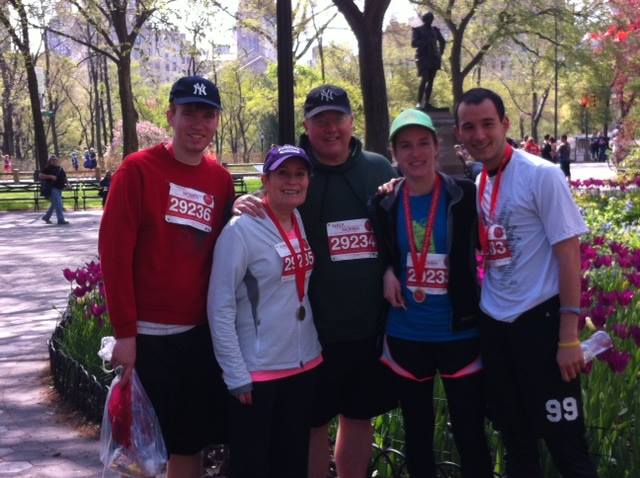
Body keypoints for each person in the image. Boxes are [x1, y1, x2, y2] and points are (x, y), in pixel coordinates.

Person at [234, 84, 397, 478]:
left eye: (337, 119)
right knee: (313, 424)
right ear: (306, 127)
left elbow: (403, 228)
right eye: (320, 121)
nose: (331, 129)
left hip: (367, 326)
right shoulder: (294, 173)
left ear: (351, 122)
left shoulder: (378, 169)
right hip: (309, 333)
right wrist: (240, 204)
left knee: (358, 418)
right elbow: (263, 211)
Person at [453, 87, 598, 478]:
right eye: (469, 127)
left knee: (566, 444)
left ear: (505, 124)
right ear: (459, 134)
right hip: (496, 326)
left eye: (487, 124)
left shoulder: (543, 174)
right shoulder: (479, 180)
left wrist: (568, 336)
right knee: (516, 443)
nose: (479, 134)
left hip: (542, 323)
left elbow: (570, 254)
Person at [99, 76, 233, 478]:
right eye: (189, 112)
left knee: (187, 444)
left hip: (196, 336)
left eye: (207, 115)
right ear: (171, 115)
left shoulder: (220, 179)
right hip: (146, 339)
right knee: (140, 455)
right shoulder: (137, 171)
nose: (198, 123)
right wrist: (125, 332)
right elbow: (114, 254)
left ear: (216, 122)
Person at [375, 109, 492, 478]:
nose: (416, 153)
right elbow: (381, 252)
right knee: (417, 434)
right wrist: (387, 270)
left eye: (423, 143)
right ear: (394, 152)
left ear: (437, 146)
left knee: (470, 432)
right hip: (407, 332)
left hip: (459, 331)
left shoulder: (464, 195)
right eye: (406, 146)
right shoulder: (384, 202)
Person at [208, 144, 322, 478]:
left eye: (300, 174)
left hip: (304, 364)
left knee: (291, 463)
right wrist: (235, 372)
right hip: (258, 373)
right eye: (283, 174)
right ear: (266, 180)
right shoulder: (240, 230)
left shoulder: (298, 217)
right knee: (252, 466)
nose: (293, 181)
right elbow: (220, 306)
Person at [412, 12, 446, 108]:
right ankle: (419, 102)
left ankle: (427, 102)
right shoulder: (418, 30)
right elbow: (414, 43)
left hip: (434, 58)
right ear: (424, 20)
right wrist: (425, 41)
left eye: (431, 19)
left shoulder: (435, 30)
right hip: (423, 58)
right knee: (425, 79)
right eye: (428, 19)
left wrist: (440, 53)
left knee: (431, 80)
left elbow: (442, 41)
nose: (430, 21)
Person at [39, 154, 69, 225]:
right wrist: (50, 176)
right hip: (52, 188)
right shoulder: (47, 168)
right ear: (49, 161)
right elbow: (40, 176)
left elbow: (65, 178)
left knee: (54, 204)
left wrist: (68, 184)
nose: (54, 161)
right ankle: (61, 220)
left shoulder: (60, 169)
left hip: (60, 188)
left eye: (55, 159)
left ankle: (46, 217)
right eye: (52, 160)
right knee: (59, 204)